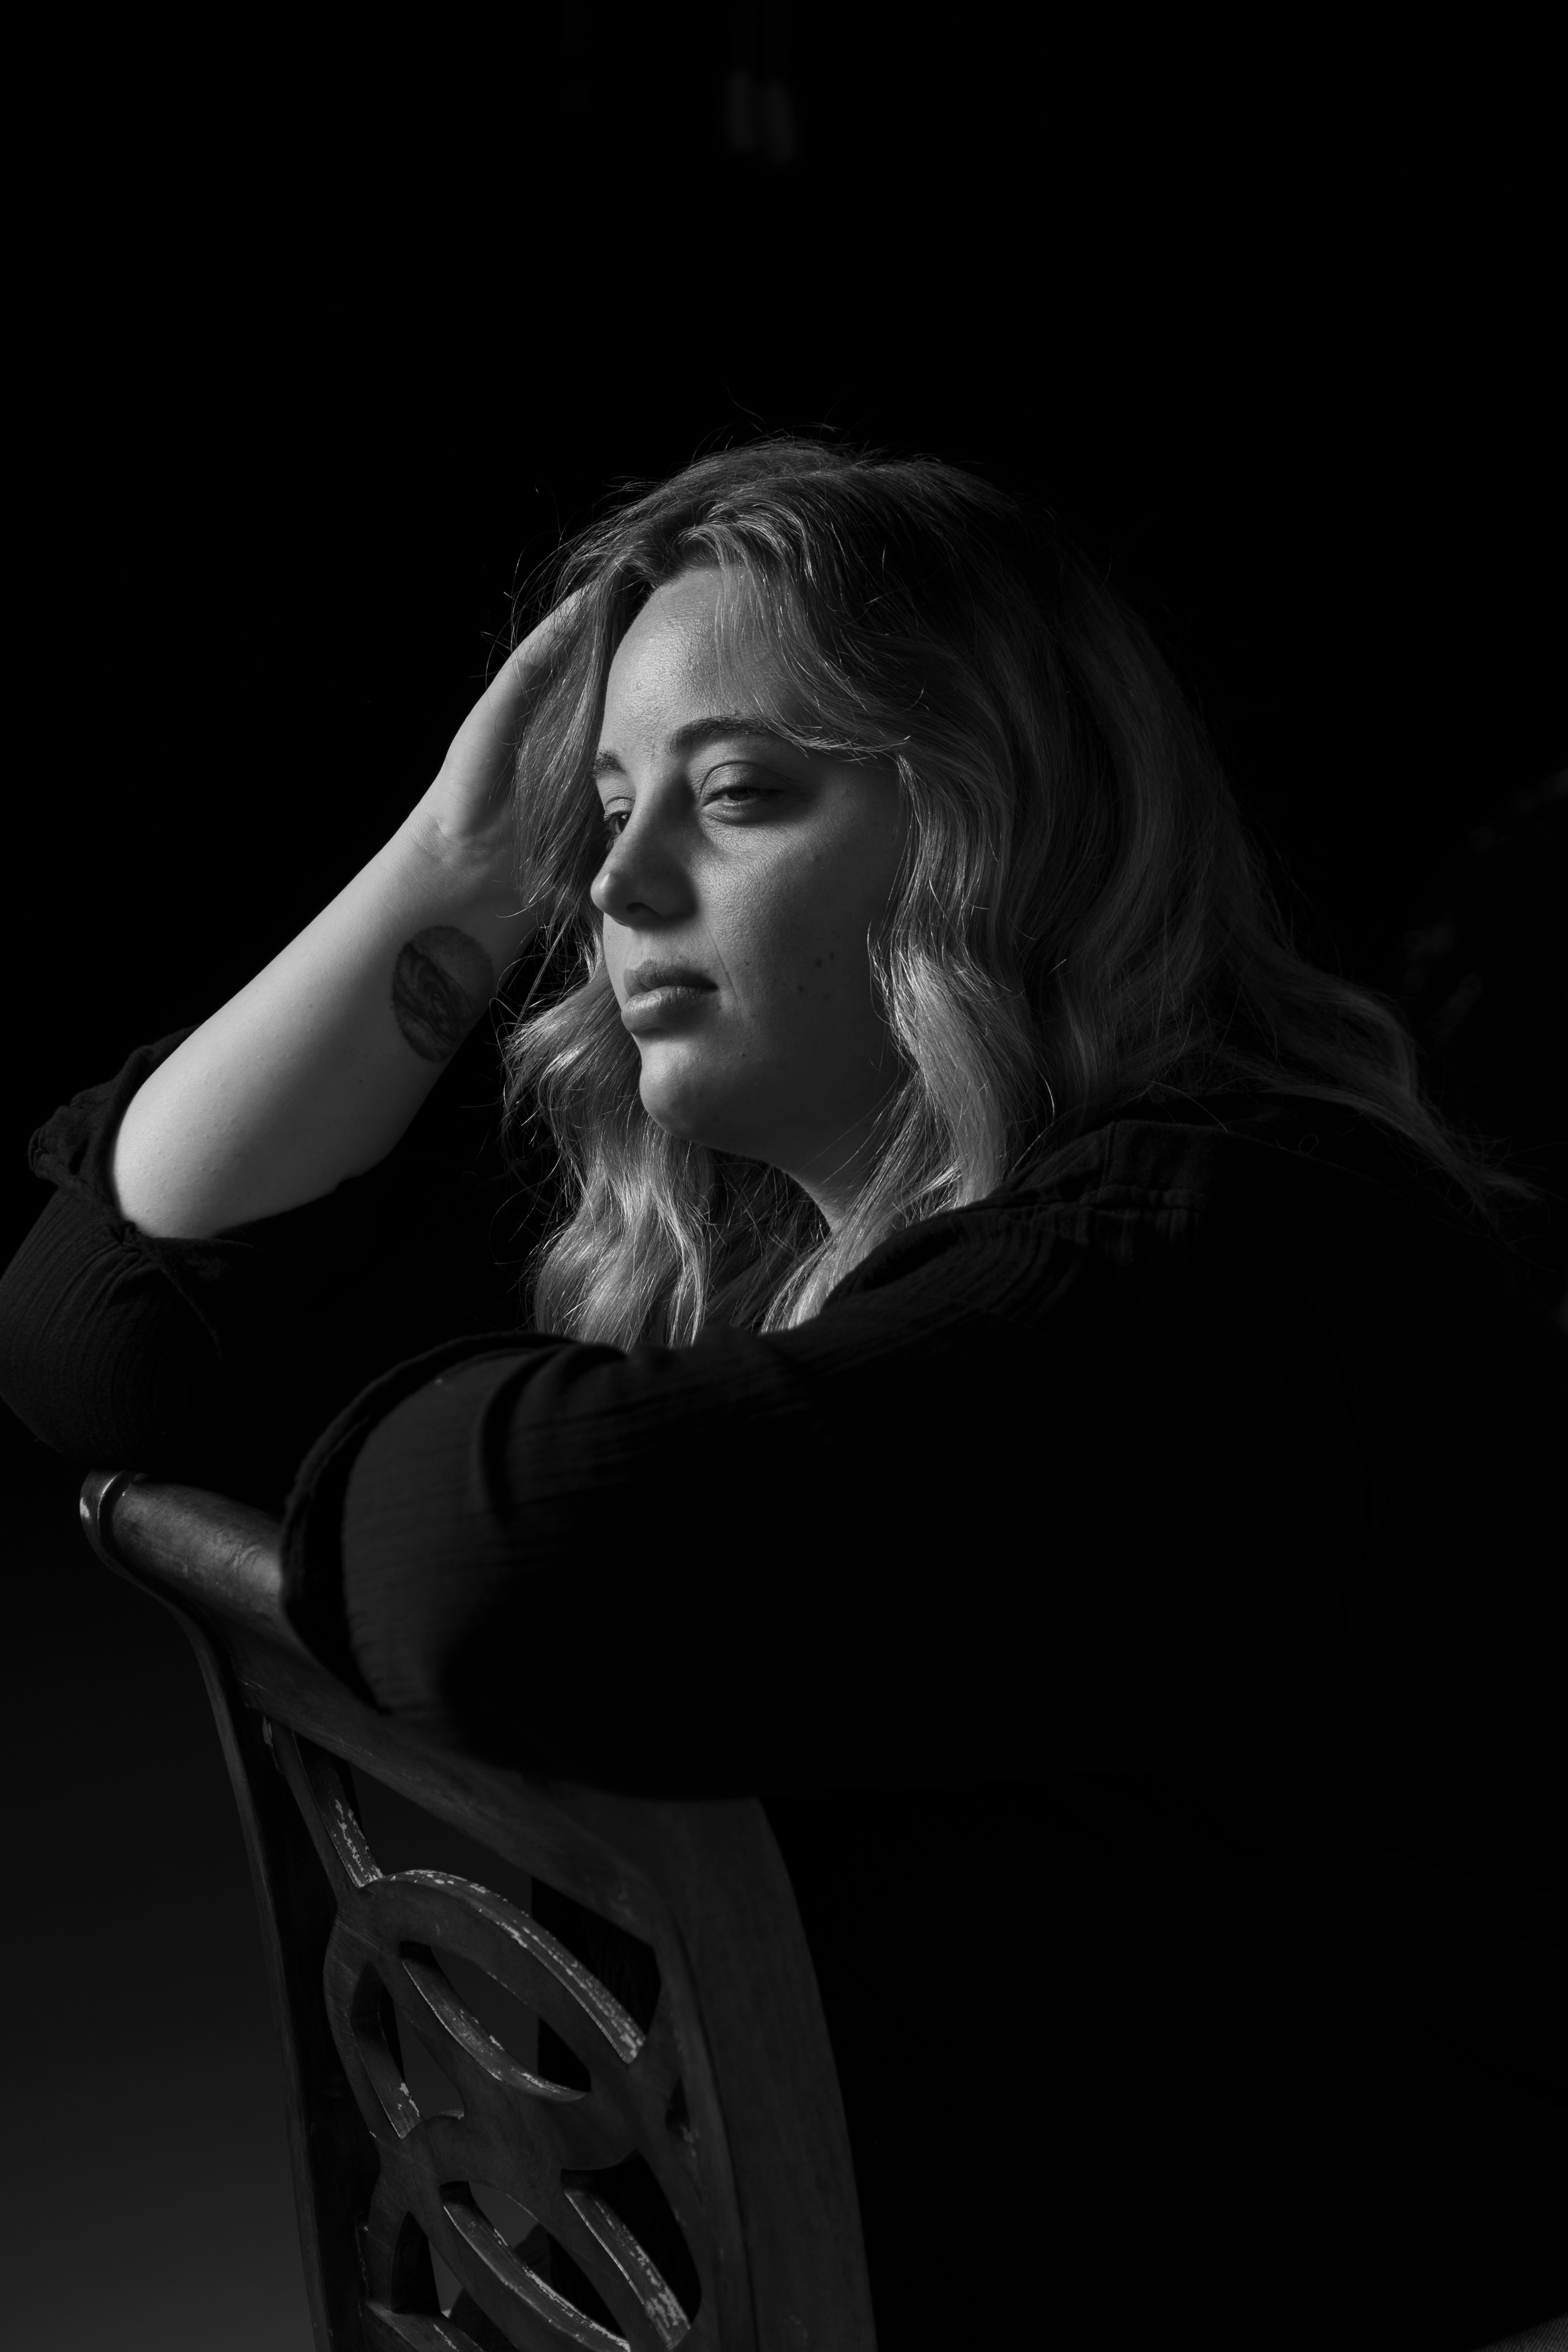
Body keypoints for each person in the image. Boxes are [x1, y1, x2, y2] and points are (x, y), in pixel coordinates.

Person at [1, 437, 1564, 2352]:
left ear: (1003, 827)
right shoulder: (785, 1275)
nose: (617, 881)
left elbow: (471, 1561)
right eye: (599, 811)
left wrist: (473, 1443)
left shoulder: (1233, 1256)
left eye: (738, 793)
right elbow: (105, 1331)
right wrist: (457, 867)